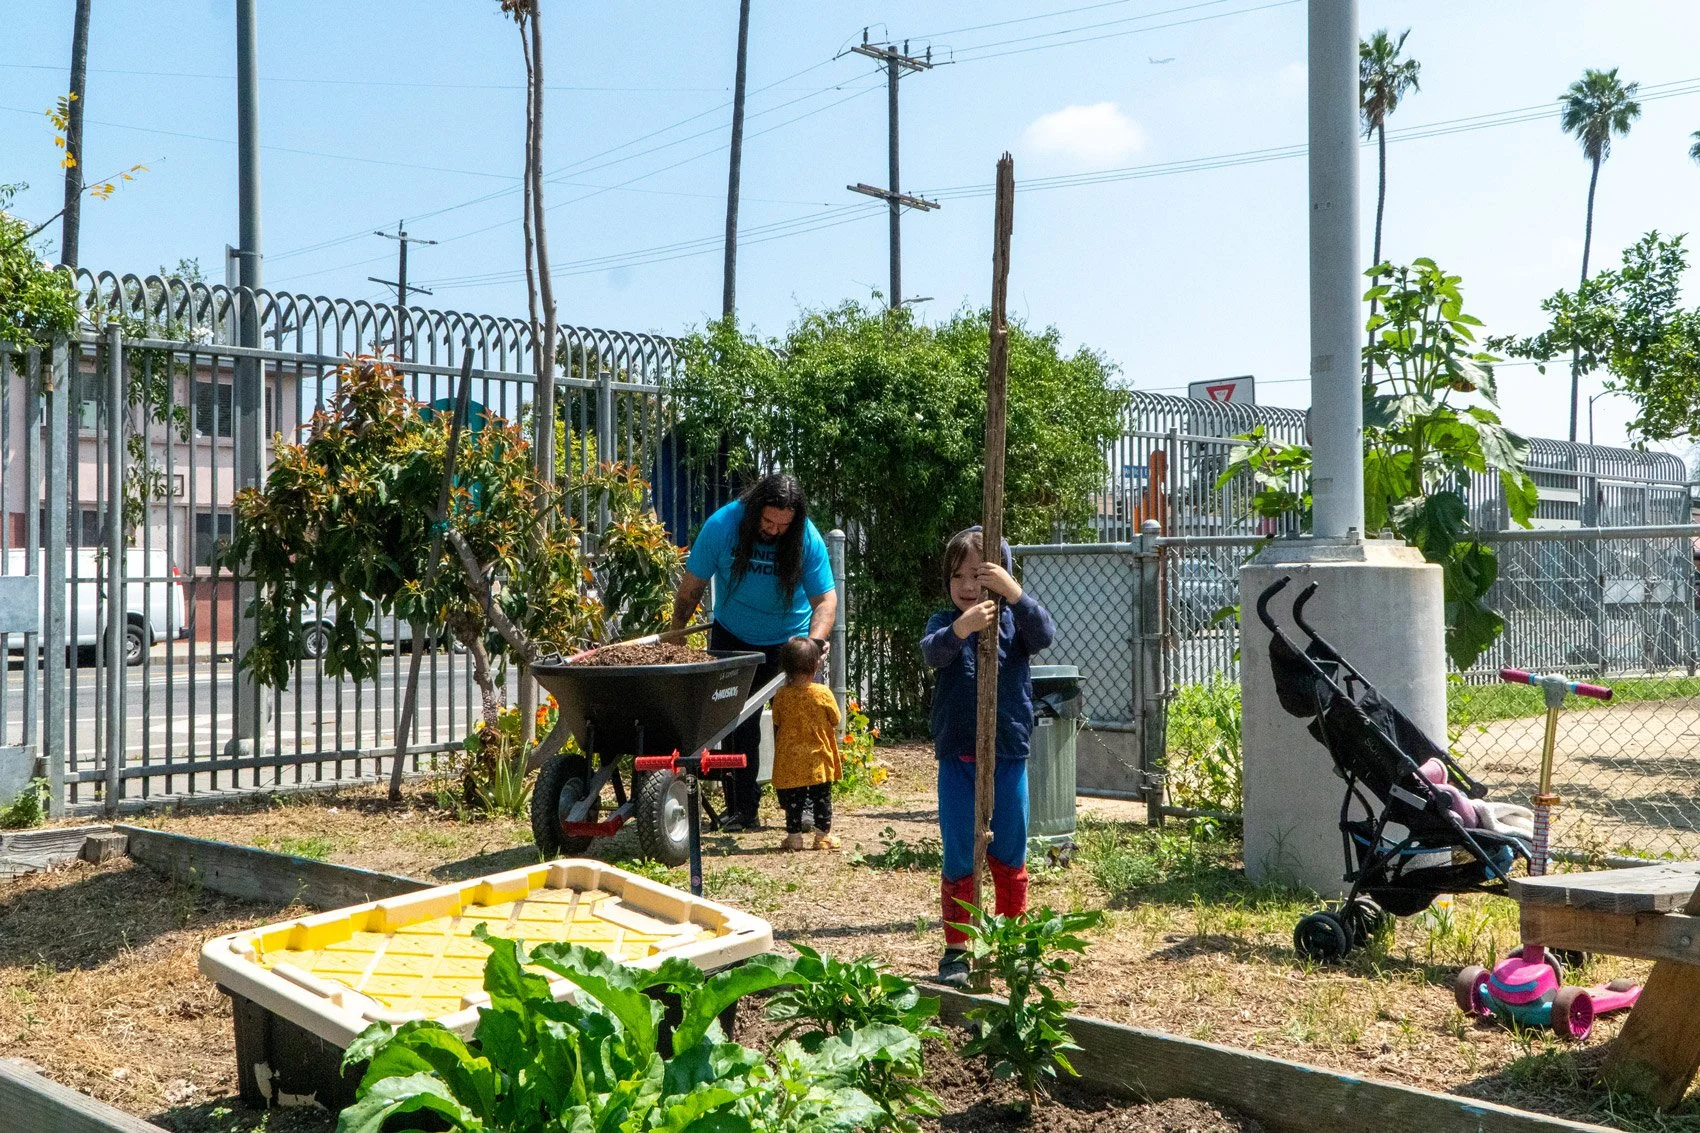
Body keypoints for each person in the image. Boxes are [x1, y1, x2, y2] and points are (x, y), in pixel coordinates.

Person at [920, 526, 1055, 988]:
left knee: (1009, 847)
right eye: (958, 576)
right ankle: (957, 949)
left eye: (979, 575)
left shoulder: (1015, 622)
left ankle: (1012, 945)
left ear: (999, 577)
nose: (967, 586)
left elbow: (1045, 634)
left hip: (1007, 750)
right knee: (959, 849)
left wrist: (1014, 595)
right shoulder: (944, 622)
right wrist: (961, 628)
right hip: (957, 754)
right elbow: (932, 654)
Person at [672, 473, 838, 832]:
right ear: (754, 509)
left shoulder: (805, 537)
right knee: (736, 725)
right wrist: (677, 634)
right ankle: (743, 810)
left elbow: (825, 600)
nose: (775, 531)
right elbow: (690, 589)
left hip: (791, 645)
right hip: (733, 637)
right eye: (767, 521)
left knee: (801, 725)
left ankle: (804, 807)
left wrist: (814, 643)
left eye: (783, 525)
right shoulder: (722, 526)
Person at [770, 637, 842, 851]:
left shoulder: (781, 695)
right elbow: (836, 718)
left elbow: (777, 720)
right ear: (815, 664)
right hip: (818, 756)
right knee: (821, 798)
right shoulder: (823, 693)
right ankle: (822, 837)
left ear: (785, 667)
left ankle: (794, 838)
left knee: (794, 800)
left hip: (790, 759)